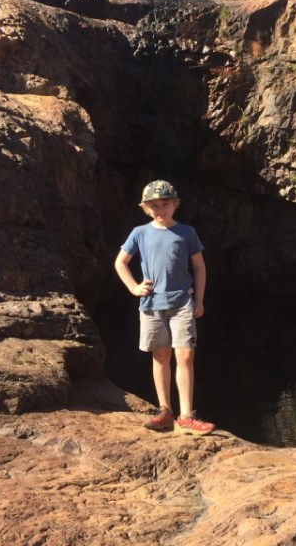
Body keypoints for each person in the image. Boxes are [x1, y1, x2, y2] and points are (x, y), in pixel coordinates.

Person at [114, 179, 214, 435]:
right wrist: (133, 287)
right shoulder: (139, 233)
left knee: (186, 355)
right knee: (160, 356)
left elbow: (199, 267)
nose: (160, 209)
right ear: (146, 208)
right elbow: (120, 262)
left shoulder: (187, 232)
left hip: (182, 302)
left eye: (165, 204)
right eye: (154, 205)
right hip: (152, 304)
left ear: (175, 205)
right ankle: (165, 412)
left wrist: (199, 300)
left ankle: (186, 416)